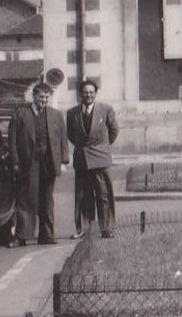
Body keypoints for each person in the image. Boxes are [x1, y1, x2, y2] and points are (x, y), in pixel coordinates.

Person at [8, 80, 68, 245]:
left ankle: (47, 235)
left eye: (47, 98)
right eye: (41, 97)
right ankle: (23, 236)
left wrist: (63, 160)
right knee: (27, 199)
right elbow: (12, 141)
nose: (44, 101)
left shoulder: (56, 115)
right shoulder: (20, 114)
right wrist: (15, 161)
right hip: (29, 162)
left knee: (47, 199)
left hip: (49, 163)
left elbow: (62, 138)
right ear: (34, 96)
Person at [66, 78, 119, 238]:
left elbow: (114, 130)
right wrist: (83, 148)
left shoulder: (106, 109)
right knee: (83, 198)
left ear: (95, 94)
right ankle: (84, 229)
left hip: (101, 160)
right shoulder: (72, 113)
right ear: (80, 94)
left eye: (91, 92)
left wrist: (102, 147)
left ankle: (106, 228)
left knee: (104, 196)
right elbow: (71, 135)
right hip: (82, 161)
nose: (88, 95)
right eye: (85, 92)